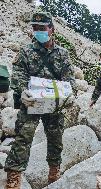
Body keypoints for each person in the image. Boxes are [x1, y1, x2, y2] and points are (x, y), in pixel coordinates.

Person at [4, 12, 75, 189]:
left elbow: (70, 80)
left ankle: (53, 171)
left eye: (42, 28)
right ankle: (14, 175)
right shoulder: (26, 51)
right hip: (31, 102)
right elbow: (18, 75)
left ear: (51, 29)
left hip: (54, 104)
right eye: (35, 28)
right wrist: (23, 92)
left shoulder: (62, 54)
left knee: (55, 138)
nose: (38, 31)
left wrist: (69, 95)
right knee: (23, 137)